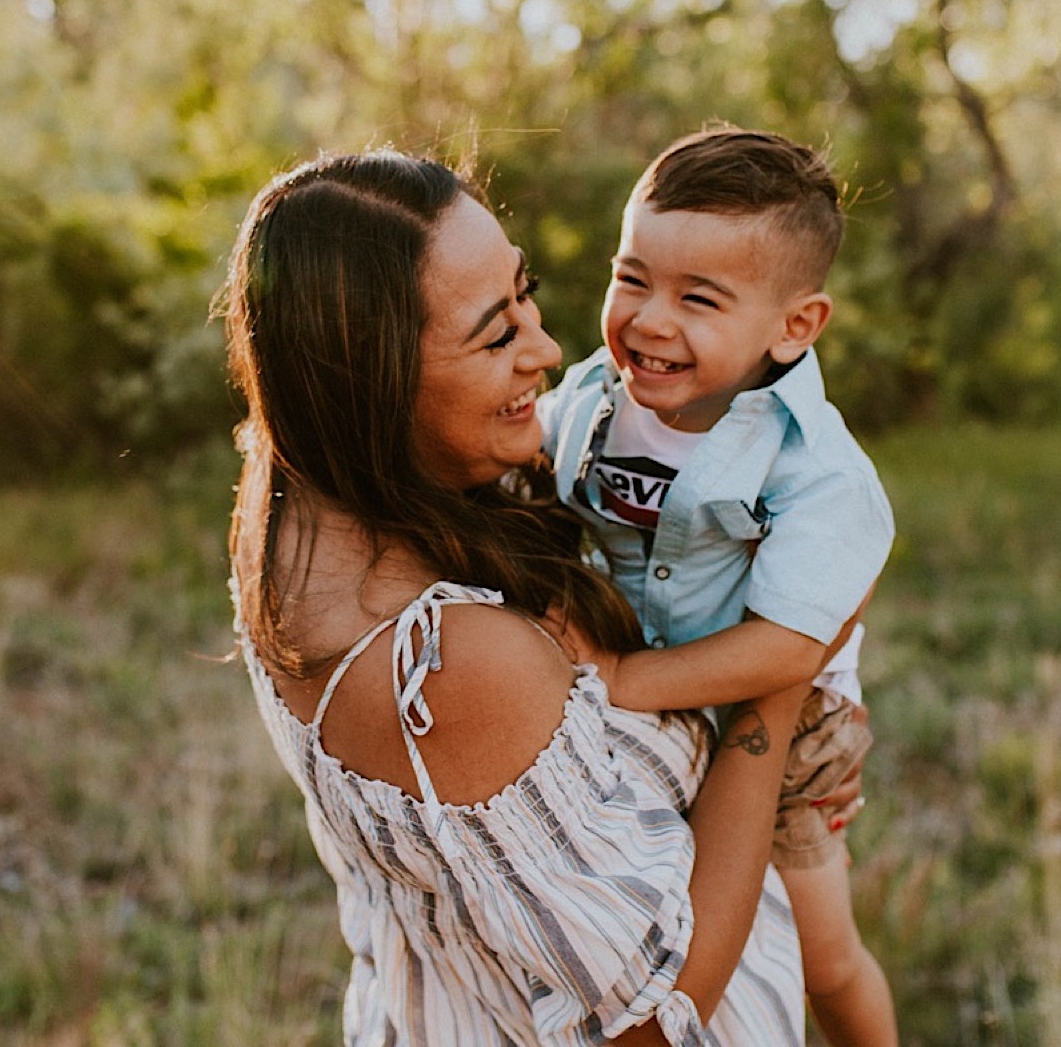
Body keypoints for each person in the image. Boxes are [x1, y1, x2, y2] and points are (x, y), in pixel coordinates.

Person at [223, 148, 842, 1044]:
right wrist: (778, 687)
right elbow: (654, 1025)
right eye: (496, 334)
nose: (549, 349)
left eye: (529, 293)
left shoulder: (300, 498)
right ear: (373, 377)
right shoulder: (446, 666)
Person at [541, 126, 899, 1047]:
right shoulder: (594, 397)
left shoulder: (816, 472)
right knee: (654, 934)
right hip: (641, 701)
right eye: (632, 279)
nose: (651, 321)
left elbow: (787, 647)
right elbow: (522, 458)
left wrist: (620, 681)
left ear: (796, 326)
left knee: (821, 956)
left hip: (778, 716)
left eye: (698, 299)